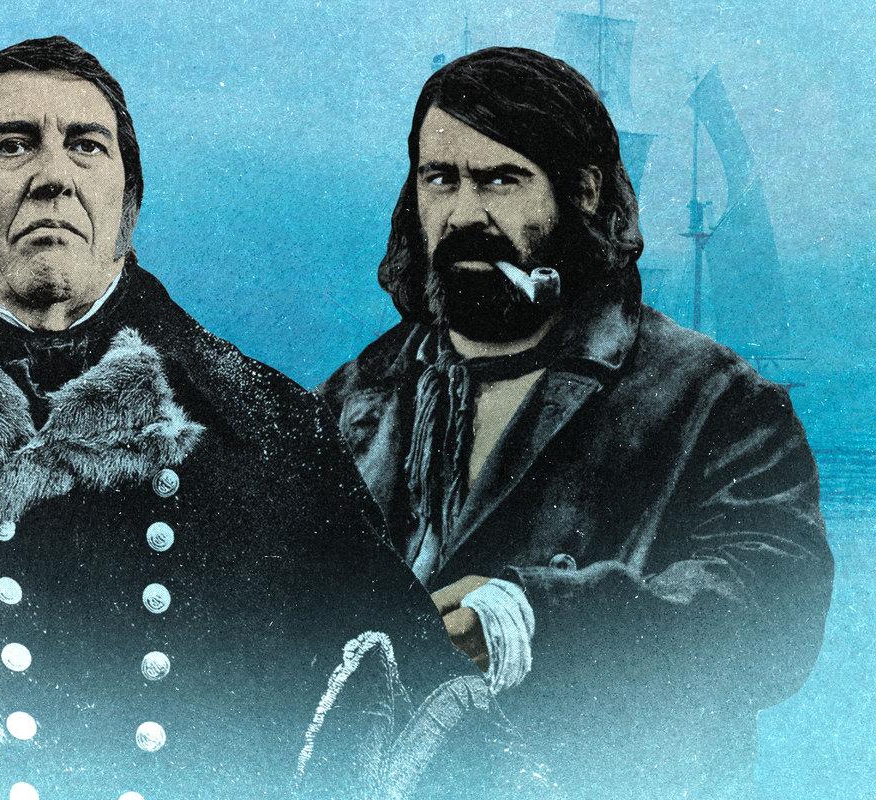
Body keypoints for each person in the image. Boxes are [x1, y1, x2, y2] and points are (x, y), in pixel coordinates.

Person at [0, 36, 469, 800]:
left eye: (86, 146)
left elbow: (430, 729)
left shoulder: (271, 429)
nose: (54, 177)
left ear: (128, 203)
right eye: (12, 146)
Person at [318, 47, 834, 798]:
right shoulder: (349, 400)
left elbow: (775, 610)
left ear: (583, 193)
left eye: (501, 180)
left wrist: (537, 616)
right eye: (440, 179)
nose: (464, 214)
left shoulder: (715, 401)